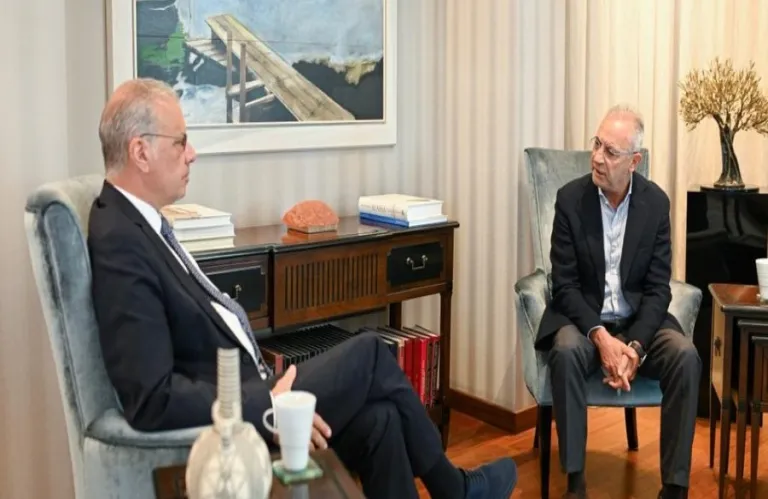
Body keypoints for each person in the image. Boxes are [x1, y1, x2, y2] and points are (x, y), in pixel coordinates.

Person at [87, 78, 517, 499]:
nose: (192, 154)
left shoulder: (140, 224)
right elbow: (152, 398)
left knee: (382, 419)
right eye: (181, 142)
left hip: (260, 389)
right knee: (370, 352)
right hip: (245, 419)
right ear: (140, 152)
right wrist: (266, 405)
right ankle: (454, 488)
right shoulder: (120, 241)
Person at [535, 105, 701, 499]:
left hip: (637, 322)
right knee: (565, 351)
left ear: (634, 162)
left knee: (685, 356)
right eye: (597, 145)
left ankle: (674, 488)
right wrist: (600, 337)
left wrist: (636, 347)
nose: (597, 157)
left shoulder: (655, 204)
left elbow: (658, 289)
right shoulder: (570, 200)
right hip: (584, 321)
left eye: (610, 152)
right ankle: (575, 484)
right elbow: (565, 285)